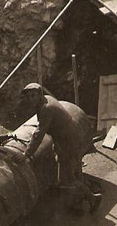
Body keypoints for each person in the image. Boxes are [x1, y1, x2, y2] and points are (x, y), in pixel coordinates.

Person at [20, 83, 99, 213]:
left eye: (33, 95)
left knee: (66, 179)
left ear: (39, 94)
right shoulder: (46, 100)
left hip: (69, 142)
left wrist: (27, 153)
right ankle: (77, 202)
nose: (30, 99)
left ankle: (92, 198)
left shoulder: (46, 108)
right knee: (75, 169)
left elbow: (39, 133)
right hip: (69, 138)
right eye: (28, 96)